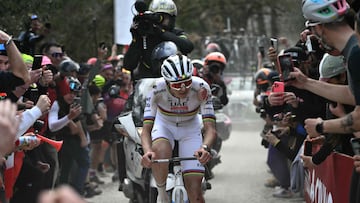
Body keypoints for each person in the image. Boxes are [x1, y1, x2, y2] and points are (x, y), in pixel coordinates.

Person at [140, 54, 216, 203]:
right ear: (167, 83)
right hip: (164, 126)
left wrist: (205, 147)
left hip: (190, 128)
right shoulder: (156, 89)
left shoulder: (201, 87)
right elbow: (146, 130)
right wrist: (148, 151)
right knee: (159, 150)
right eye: (176, 85)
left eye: (187, 82)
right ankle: (162, 194)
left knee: (196, 194)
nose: (183, 89)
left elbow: (211, 129)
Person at [123, 0, 194, 80]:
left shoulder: (176, 33)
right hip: (149, 84)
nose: (161, 21)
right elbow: (128, 65)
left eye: (164, 17)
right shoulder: (145, 36)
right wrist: (135, 39)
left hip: (175, 81)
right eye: (158, 17)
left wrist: (161, 32)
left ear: (172, 18)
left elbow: (188, 46)